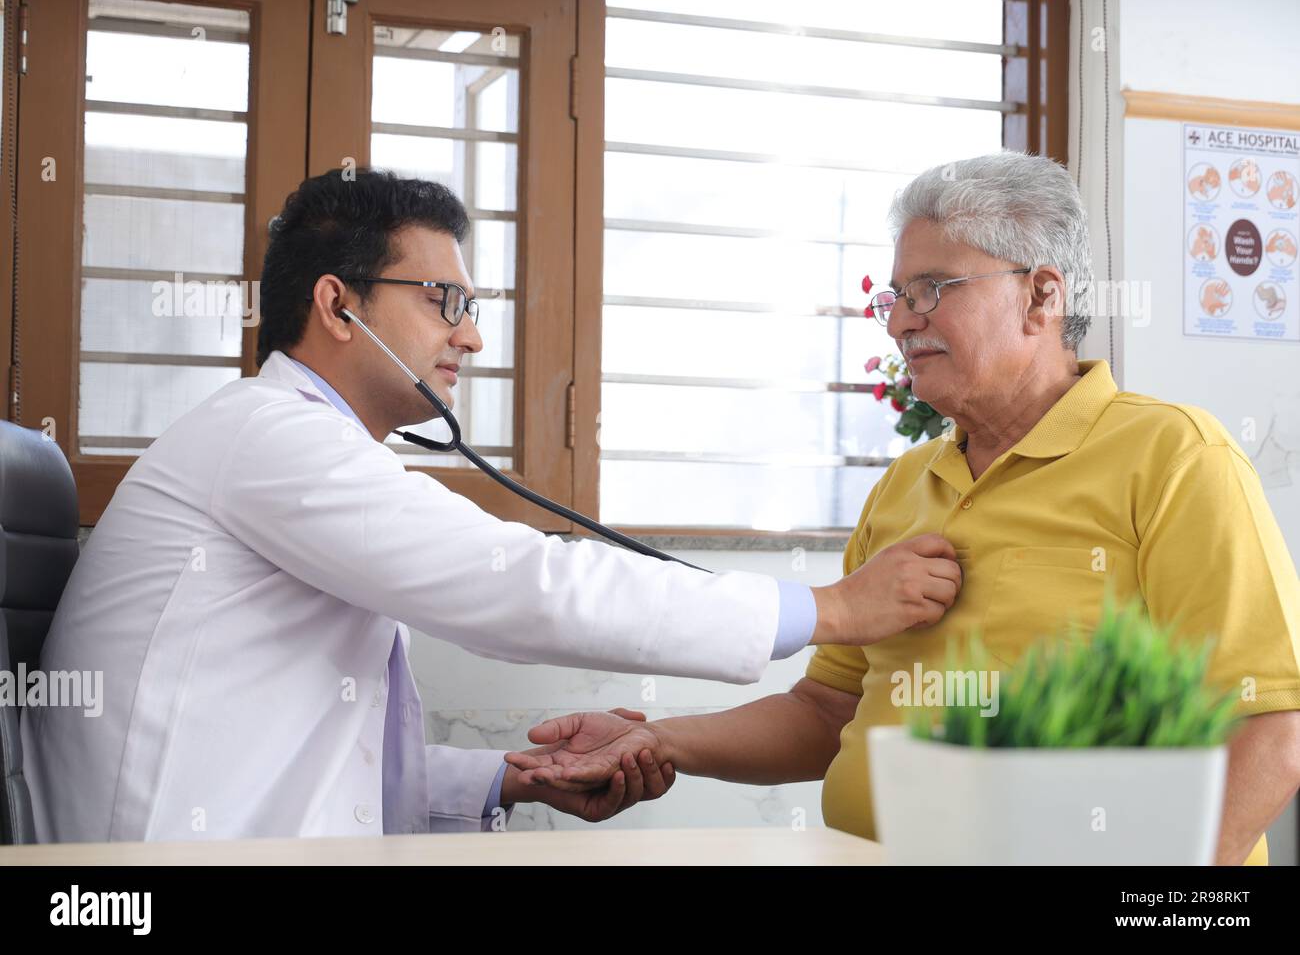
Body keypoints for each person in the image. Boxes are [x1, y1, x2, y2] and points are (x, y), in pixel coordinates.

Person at [20, 168, 962, 842]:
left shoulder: (302, 450)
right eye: (442, 299)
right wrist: (830, 608)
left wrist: (518, 778)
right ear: (338, 305)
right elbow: (516, 584)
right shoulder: (269, 440)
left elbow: (323, 749)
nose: (470, 336)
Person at [508, 151, 1300, 866]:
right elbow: (828, 709)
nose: (899, 319)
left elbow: (1270, 729)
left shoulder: (1174, 458)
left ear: (1041, 295)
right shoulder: (904, 485)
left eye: (934, 290)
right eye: (896, 294)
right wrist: (659, 738)